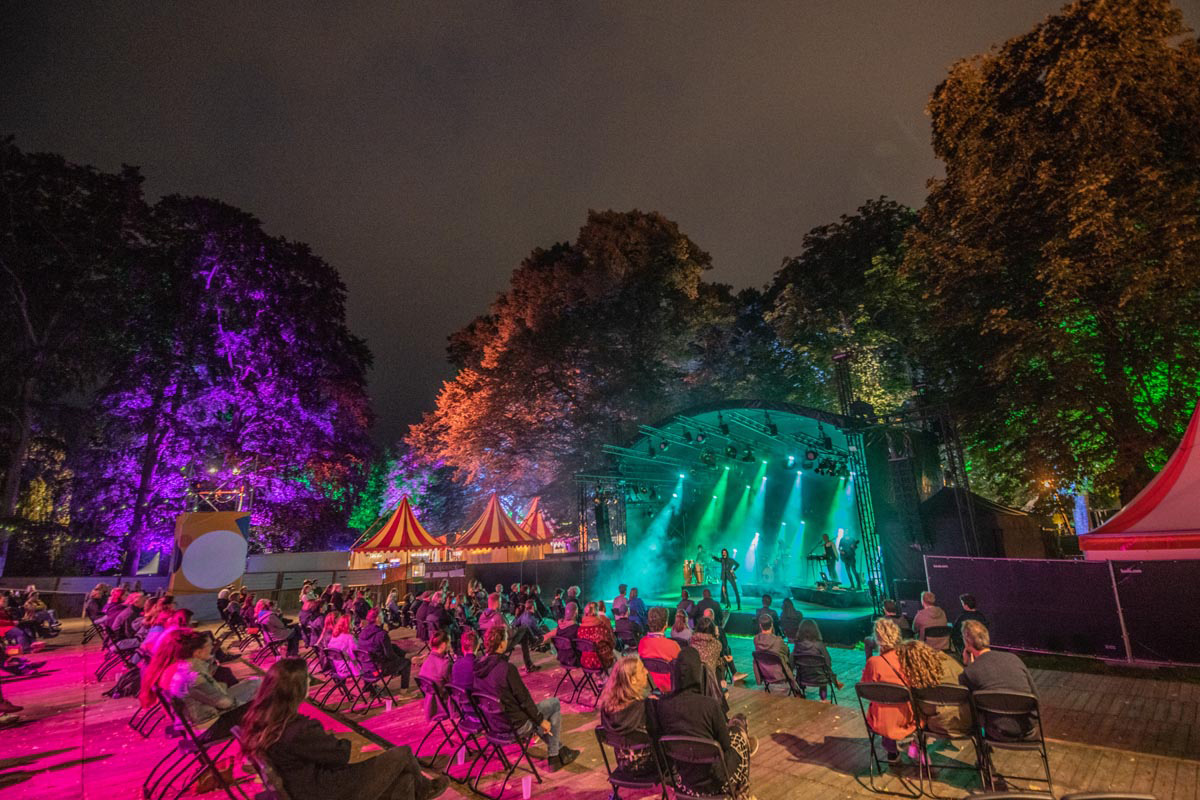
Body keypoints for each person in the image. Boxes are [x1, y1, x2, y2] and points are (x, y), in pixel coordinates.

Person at [240, 658, 448, 800]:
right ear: (297, 689)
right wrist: (333, 738)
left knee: (405, 781)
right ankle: (425, 790)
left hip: (305, 787)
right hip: (328, 790)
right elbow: (341, 755)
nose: (309, 682)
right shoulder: (298, 729)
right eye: (306, 679)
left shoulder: (263, 720)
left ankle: (422, 789)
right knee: (402, 754)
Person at [473, 626, 581, 771]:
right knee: (553, 704)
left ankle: (561, 751)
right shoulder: (506, 669)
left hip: (494, 724)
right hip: (514, 725)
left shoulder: (478, 668)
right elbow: (524, 700)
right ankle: (554, 756)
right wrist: (540, 720)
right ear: (502, 644)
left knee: (535, 713)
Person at [653, 647, 754, 798]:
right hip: (716, 782)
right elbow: (726, 745)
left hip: (684, 781)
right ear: (697, 673)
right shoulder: (709, 705)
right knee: (739, 736)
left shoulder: (663, 704)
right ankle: (742, 791)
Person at [154, 630, 261, 741]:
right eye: (209, 645)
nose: (212, 647)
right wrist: (245, 700)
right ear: (198, 653)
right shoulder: (194, 676)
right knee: (263, 705)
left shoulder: (185, 668)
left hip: (203, 721)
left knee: (255, 685)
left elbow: (214, 695)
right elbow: (225, 703)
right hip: (208, 728)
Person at [959, 620, 1038, 740]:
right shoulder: (1013, 658)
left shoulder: (970, 672)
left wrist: (967, 665)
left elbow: (969, 711)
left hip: (998, 732)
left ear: (967, 643)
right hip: (1028, 728)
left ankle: (983, 750)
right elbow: (1036, 696)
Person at [860, 617, 916, 765]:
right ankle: (913, 746)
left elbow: (864, 689)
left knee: (882, 705)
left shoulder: (874, 663)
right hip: (908, 717)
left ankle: (892, 752)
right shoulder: (908, 658)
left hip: (882, 721)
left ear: (877, 639)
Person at [895, 639, 971, 740]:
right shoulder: (950, 662)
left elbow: (926, 710)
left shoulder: (921, 684)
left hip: (943, 725)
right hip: (969, 719)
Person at [598, 656, 656, 779]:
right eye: (642, 669)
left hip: (624, 765)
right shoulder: (645, 707)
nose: (646, 672)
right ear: (632, 680)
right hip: (651, 765)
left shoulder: (606, 709)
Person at [358, 609, 413, 690]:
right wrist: (399, 661)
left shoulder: (362, 633)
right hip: (378, 669)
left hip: (366, 668)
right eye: (381, 615)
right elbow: (390, 655)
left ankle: (368, 687)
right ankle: (404, 691)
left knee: (392, 646)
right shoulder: (381, 634)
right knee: (406, 662)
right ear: (377, 618)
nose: (383, 617)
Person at [792, 619, 843, 700]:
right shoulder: (819, 645)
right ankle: (824, 698)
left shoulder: (797, 645)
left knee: (798, 674)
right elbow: (828, 662)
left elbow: (792, 662)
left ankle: (800, 694)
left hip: (803, 677)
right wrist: (832, 677)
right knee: (825, 672)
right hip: (821, 679)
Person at [638, 607, 681, 691]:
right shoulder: (673, 646)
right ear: (666, 624)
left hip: (648, 687)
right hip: (669, 689)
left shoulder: (642, 643)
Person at [752, 616, 797, 692]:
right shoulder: (778, 641)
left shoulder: (756, 639)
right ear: (772, 625)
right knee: (791, 655)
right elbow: (786, 652)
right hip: (779, 674)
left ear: (760, 625)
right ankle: (794, 681)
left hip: (764, 672)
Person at [577, 602, 616, 670]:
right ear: (596, 611)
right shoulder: (601, 626)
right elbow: (611, 642)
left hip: (585, 661)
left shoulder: (580, 629)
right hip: (602, 661)